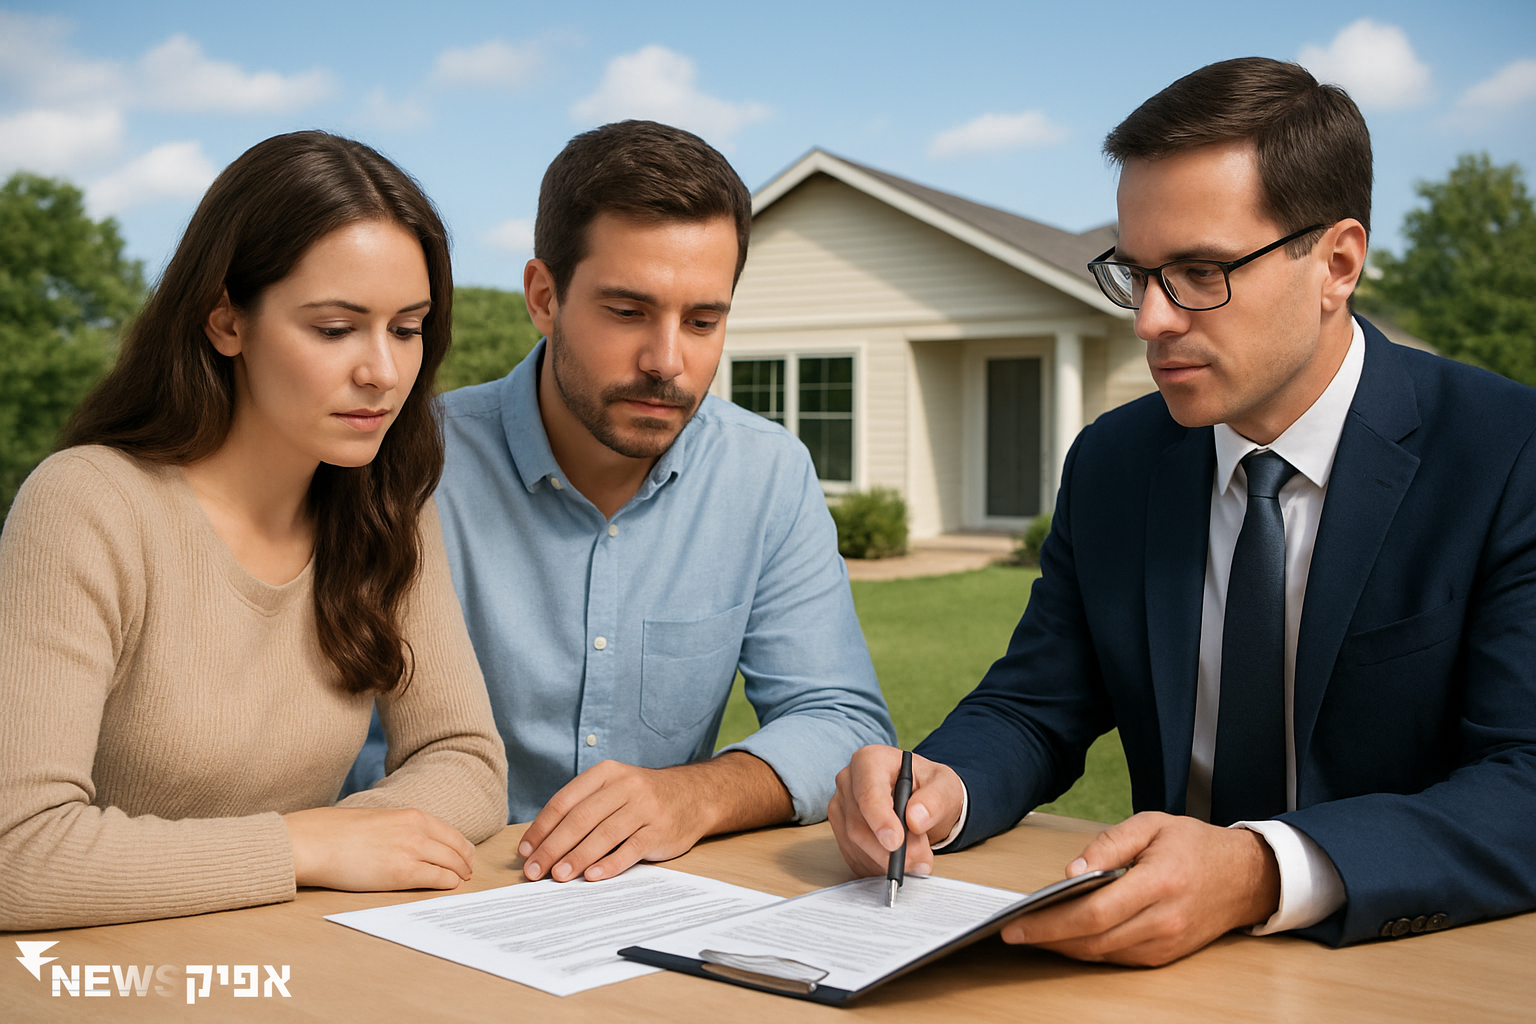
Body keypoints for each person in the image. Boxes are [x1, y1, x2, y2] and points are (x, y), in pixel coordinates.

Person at [828, 57, 1536, 965]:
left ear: (1337, 262)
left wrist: (1258, 870)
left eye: (1200, 271)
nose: (1151, 319)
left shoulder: (1505, 454)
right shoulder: (1116, 463)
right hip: (1152, 972)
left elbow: (1523, 781)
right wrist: (935, 789)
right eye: (1137, 273)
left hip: (1400, 970)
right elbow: (1037, 707)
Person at [345, 119, 894, 885]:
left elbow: (842, 721)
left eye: (703, 321)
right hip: (408, 898)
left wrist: (695, 795)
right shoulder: (400, 462)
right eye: (628, 312)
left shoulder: (766, 475)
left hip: (639, 914)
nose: (667, 362)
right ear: (543, 297)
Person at [0, 131, 508, 931]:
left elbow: (466, 760)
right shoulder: (87, 505)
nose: (382, 371)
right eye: (336, 329)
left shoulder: (386, 504)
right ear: (226, 321)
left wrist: (355, 837)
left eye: (406, 328)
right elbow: (18, 858)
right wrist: (301, 846)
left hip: (289, 960)